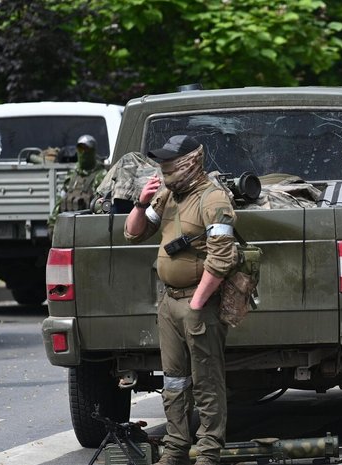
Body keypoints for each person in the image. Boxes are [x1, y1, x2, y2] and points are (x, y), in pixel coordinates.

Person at [125, 135, 238, 465]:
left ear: (190, 161)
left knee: (207, 381)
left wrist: (198, 302)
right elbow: (134, 234)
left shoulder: (212, 198)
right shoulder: (167, 195)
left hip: (197, 305)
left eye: (170, 162)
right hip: (170, 303)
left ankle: (208, 451)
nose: (164, 168)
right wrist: (140, 202)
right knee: (174, 380)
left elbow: (222, 258)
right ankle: (175, 447)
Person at [48, 135, 106, 232]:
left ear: (92, 151)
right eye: (80, 148)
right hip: (68, 228)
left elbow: (103, 207)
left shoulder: (101, 176)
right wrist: (52, 223)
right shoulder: (72, 175)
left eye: (86, 149)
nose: (83, 152)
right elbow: (60, 200)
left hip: (89, 228)